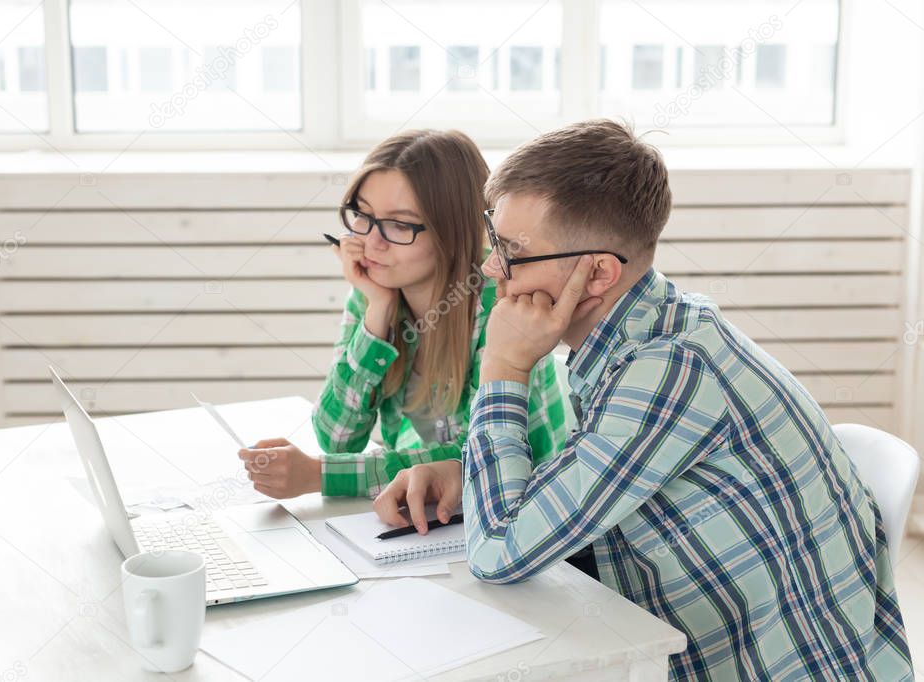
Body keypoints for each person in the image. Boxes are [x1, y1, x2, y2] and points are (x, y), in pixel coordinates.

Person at [373, 120, 913, 680]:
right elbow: (573, 489)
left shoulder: (669, 369)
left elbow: (499, 553)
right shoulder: (653, 329)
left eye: (511, 251)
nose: (490, 269)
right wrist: (470, 479)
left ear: (599, 272)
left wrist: (504, 369)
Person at [238, 129, 567, 520]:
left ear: (451, 230)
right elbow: (338, 438)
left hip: (526, 518)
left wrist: (321, 475)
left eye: (399, 225)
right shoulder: (376, 290)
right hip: (433, 516)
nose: (372, 243)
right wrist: (377, 311)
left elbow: (479, 457)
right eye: (362, 216)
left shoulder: (501, 300)